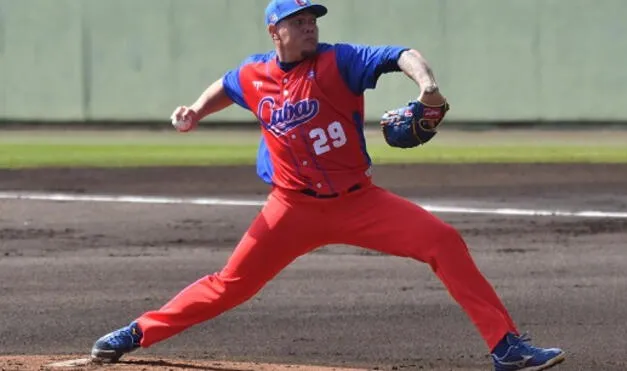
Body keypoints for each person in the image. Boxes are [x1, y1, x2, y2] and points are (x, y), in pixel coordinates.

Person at [90, 1, 566, 370]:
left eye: (312, 18)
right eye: (297, 21)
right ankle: (136, 333)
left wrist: (428, 86)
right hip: (290, 209)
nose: (309, 26)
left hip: (361, 203)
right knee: (228, 286)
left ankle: (507, 348)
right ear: (274, 32)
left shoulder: (341, 61)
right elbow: (228, 84)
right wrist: (195, 109)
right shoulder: (255, 73)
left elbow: (402, 54)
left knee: (443, 241)